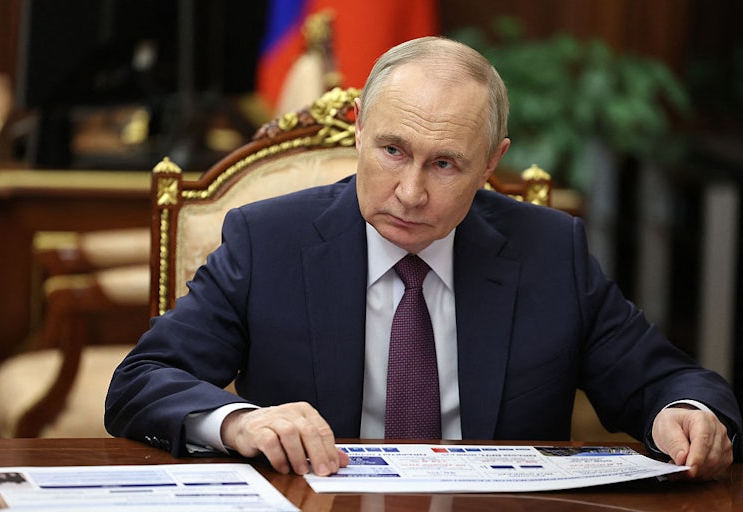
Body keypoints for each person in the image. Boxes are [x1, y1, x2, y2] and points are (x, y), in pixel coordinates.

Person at [105, 36, 741, 480]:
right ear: (358, 132)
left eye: (444, 164)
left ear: (492, 162)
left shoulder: (550, 252)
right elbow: (140, 382)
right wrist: (239, 423)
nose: (410, 193)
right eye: (391, 151)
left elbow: (671, 384)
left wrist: (687, 416)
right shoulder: (269, 241)